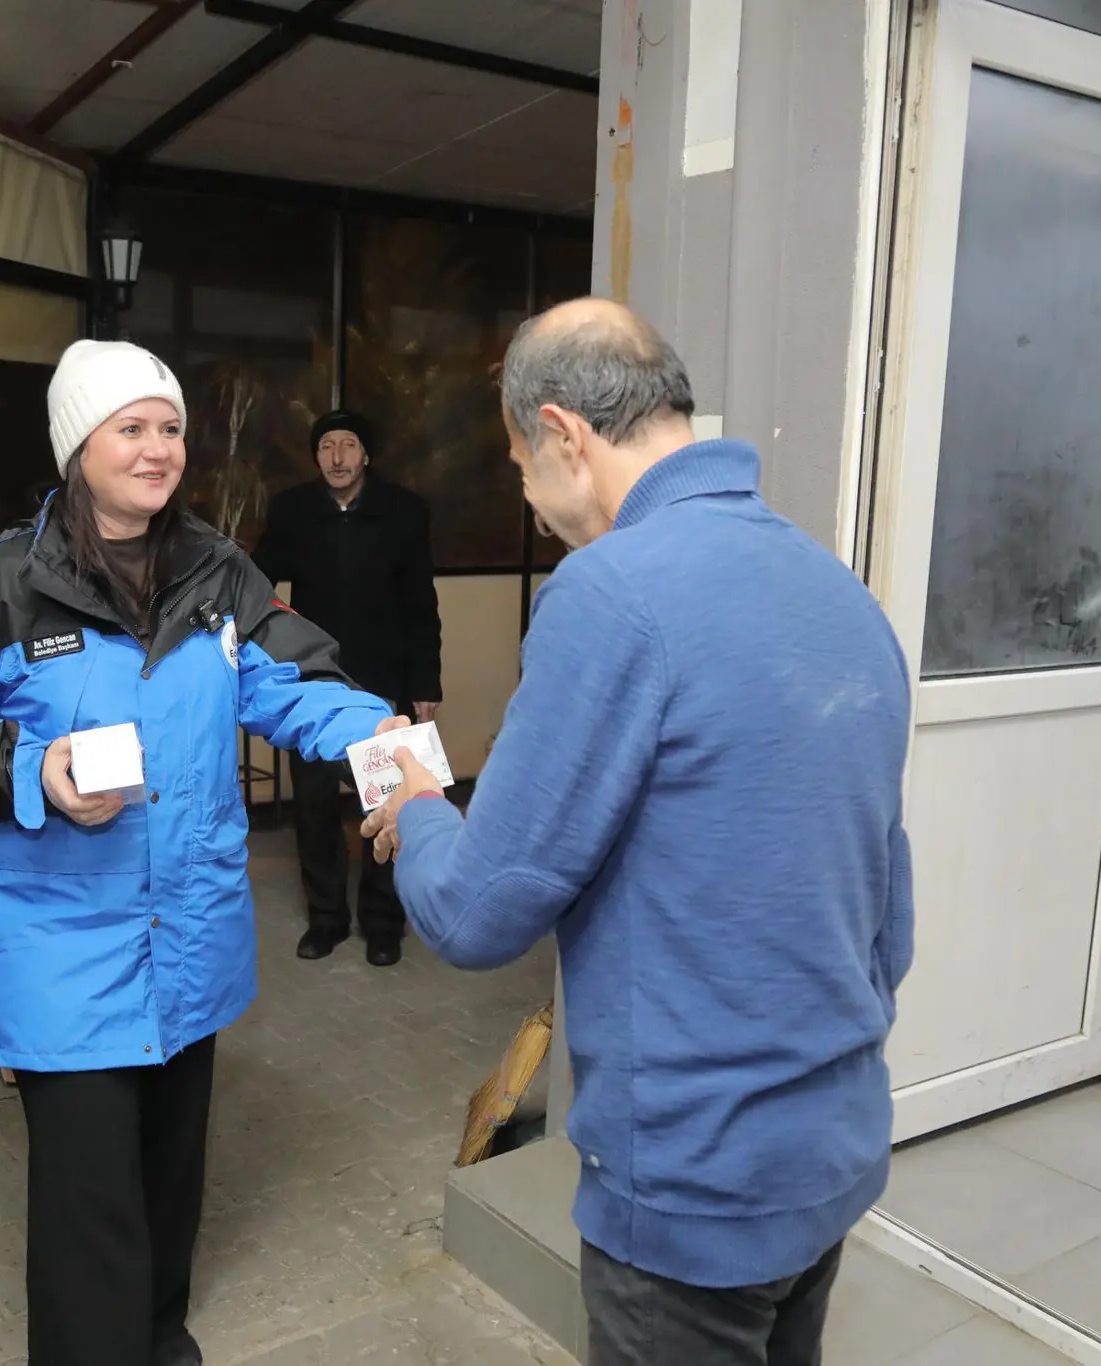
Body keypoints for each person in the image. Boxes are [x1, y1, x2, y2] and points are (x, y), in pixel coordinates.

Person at [360, 299, 914, 1366]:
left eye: (521, 469)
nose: (528, 506)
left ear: (564, 435)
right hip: (830, 1145)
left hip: (692, 1188)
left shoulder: (610, 593)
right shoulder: (836, 589)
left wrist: (420, 808)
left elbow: (479, 909)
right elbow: (885, 910)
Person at [0, 341, 401, 1366]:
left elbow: (293, 681)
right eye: (132, 427)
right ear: (79, 445)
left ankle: (160, 1342)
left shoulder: (216, 572)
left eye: (169, 428)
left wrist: (376, 734)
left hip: (190, 931)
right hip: (61, 945)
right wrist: (34, 767)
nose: (158, 448)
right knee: (90, 1202)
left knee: (167, 1175)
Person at [251, 409, 441, 966]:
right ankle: (326, 919)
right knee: (312, 808)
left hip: (384, 680)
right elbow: (255, 583)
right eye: (326, 446)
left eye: (348, 445)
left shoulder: (403, 511)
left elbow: (421, 606)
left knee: (385, 801)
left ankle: (384, 925)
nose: (336, 457)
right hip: (312, 683)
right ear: (317, 456)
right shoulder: (294, 510)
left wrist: (425, 682)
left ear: (366, 456)